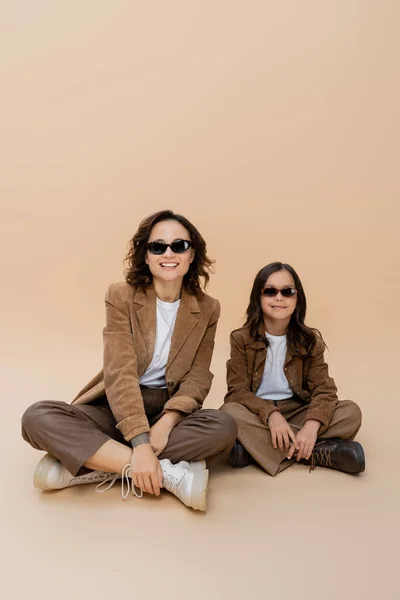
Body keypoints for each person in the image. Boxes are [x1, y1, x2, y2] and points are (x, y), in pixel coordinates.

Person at [22, 210, 237, 511]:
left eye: (179, 245)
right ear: (146, 256)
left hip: (167, 410)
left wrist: (167, 421)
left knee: (224, 426)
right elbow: (120, 372)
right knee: (37, 418)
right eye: (157, 246)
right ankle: (165, 475)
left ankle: (93, 465)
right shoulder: (121, 296)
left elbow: (199, 375)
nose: (168, 253)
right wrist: (140, 445)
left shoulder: (208, 308)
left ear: (192, 254)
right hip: (117, 407)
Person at [221, 261, 364, 476]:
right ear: (258, 298)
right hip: (257, 413)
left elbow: (324, 390)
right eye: (270, 291)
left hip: (298, 411)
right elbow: (237, 391)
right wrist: (271, 415)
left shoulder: (310, 341)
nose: (279, 298)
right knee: (228, 414)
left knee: (351, 412)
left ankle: (253, 450)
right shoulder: (241, 339)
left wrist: (311, 426)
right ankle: (316, 452)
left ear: (297, 299)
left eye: (287, 292)